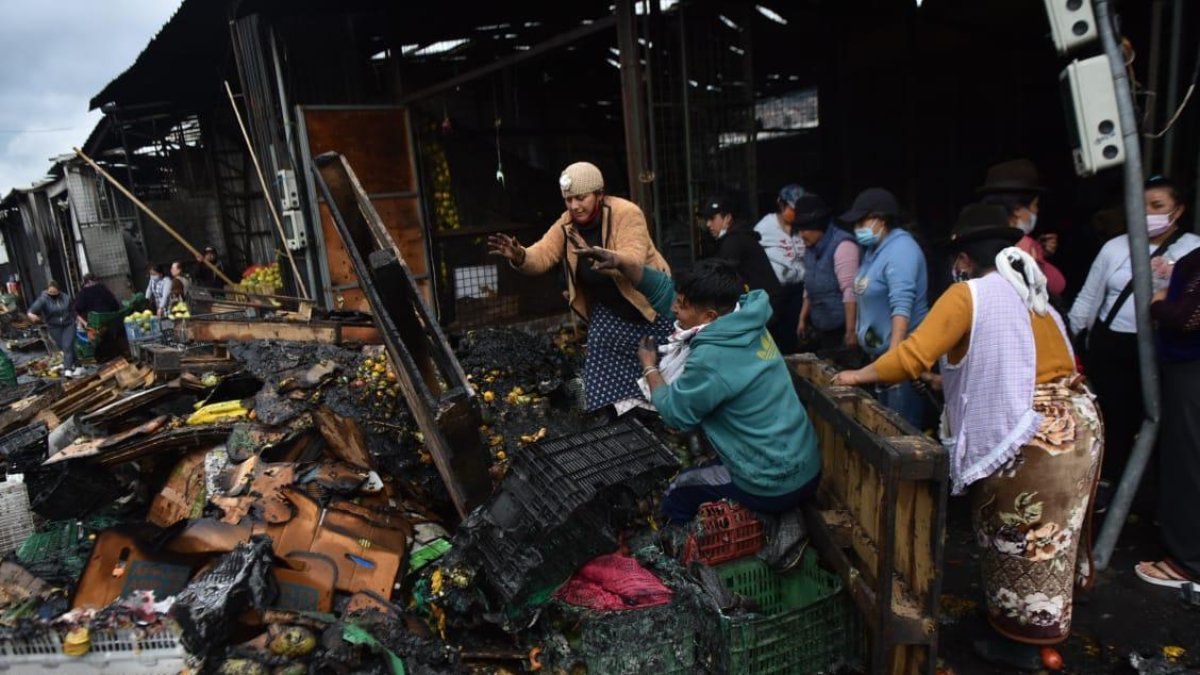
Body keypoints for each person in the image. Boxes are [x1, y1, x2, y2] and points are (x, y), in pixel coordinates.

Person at [832, 204, 1100, 670]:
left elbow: (911, 356)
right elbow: (1015, 361)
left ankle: (1024, 647)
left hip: (1034, 437)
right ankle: (1029, 628)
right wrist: (944, 384)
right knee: (1054, 540)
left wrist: (856, 376)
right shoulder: (1027, 291)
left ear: (962, 260)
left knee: (1019, 536)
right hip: (1079, 423)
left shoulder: (968, 295)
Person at [570, 239, 820, 523]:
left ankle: (696, 557)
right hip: (805, 463)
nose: (674, 308)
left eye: (683, 305)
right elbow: (665, 292)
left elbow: (676, 415)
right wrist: (621, 263)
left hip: (775, 483)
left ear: (709, 316)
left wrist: (650, 367)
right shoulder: (745, 317)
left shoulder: (712, 357)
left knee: (678, 491)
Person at [487, 162, 672, 413]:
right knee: (600, 355)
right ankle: (625, 415)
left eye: (581, 198)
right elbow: (542, 255)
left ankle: (675, 416)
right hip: (610, 310)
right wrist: (519, 255)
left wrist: (607, 257)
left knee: (666, 362)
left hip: (649, 305)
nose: (575, 206)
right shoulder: (567, 224)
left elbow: (635, 258)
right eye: (569, 199)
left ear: (599, 194)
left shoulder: (626, 213)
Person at [1067, 176, 1200, 497]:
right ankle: (1106, 490)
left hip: (1163, 350)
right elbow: (1088, 300)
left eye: (1158, 206)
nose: (1147, 213)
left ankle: (1151, 497)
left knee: (1165, 424)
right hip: (1112, 348)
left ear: (1178, 210)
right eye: (1141, 206)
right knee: (1114, 421)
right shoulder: (1114, 248)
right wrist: (1071, 343)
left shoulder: (1192, 250)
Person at [1135, 246, 1200, 588]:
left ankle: (1188, 563)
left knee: (1188, 459)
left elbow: (1187, 318)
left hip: (1192, 368)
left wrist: (1158, 300)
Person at [842, 187, 929, 428]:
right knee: (885, 430)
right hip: (880, 361)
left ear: (881, 220)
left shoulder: (901, 249)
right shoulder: (873, 251)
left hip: (900, 362)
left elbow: (902, 305)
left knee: (901, 434)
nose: (857, 227)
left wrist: (894, 361)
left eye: (862, 221)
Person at [978, 159, 1067, 298]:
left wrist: (1039, 251)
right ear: (1018, 209)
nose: (1036, 211)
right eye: (1035, 205)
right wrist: (1037, 259)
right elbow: (1058, 285)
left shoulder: (979, 238)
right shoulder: (1023, 246)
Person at [698, 193, 782, 324]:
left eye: (712, 218)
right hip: (765, 303)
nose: (708, 224)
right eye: (706, 219)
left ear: (727, 218)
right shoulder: (737, 237)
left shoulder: (734, 241)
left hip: (765, 305)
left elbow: (723, 275)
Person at [797, 196, 860, 351]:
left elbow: (850, 291)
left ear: (818, 226)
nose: (801, 235)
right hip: (822, 326)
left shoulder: (843, 246)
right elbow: (809, 284)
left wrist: (850, 331)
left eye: (805, 229)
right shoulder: (810, 248)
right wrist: (802, 319)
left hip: (842, 327)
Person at [753, 184, 810, 354]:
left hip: (799, 290)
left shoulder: (804, 227)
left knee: (793, 334)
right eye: (792, 208)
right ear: (781, 204)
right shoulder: (766, 226)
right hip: (775, 291)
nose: (795, 213)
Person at [27, 280, 83, 377]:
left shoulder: (66, 297)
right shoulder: (43, 299)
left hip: (68, 324)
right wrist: (31, 315)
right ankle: (78, 366)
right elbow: (32, 309)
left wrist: (80, 321)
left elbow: (73, 310)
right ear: (47, 291)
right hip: (54, 326)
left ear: (59, 291)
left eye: (55, 292)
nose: (53, 294)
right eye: (51, 292)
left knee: (67, 345)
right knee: (65, 347)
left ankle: (68, 369)